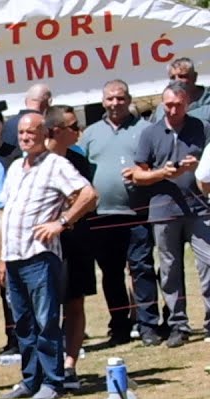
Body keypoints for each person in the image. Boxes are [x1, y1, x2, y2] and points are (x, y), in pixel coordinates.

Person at [0, 112, 96, 399]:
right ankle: (31, 378)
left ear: (45, 133)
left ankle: (53, 380)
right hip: (13, 256)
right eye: (22, 133)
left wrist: (61, 222)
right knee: (22, 323)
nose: (25, 137)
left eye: (32, 132)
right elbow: (3, 213)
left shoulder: (56, 165)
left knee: (46, 320)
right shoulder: (14, 167)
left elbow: (88, 194)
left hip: (40, 255)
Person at [134, 82, 210, 348]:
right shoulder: (150, 133)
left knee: (207, 264)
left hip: (200, 207)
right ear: (161, 104)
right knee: (169, 270)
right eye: (169, 104)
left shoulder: (201, 128)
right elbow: (138, 174)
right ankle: (178, 324)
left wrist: (198, 165)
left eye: (179, 104)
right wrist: (162, 173)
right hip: (164, 208)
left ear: (187, 103)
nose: (174, 109)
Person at [81, 79, 156, 346]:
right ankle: (120, 326)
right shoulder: (90, 134)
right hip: (102, 215)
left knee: (142, 268)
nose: (115, 103)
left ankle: (148, 325)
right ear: (103, 101)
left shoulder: (146, 130)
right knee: (111, 273)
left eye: (120, 98)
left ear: (129, 99)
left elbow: (157, 166)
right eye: (110, 98)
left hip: (137, 212)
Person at [44, 105, 97, 390]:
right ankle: (46, 365)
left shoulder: (78, 159)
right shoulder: (34, 161)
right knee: (45, 306)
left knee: (75, 302)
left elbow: (88, 198)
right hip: (43, 244)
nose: (79, 132)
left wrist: (69, 215)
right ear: (55, 130)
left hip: (75, 239)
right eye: (73, 127)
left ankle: (69, 364)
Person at [150, 58, 210, 124]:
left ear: (194, 77)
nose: (177, 81)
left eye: (182, 76)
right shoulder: (162, 108)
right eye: (172, 77)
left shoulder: (207, 103)